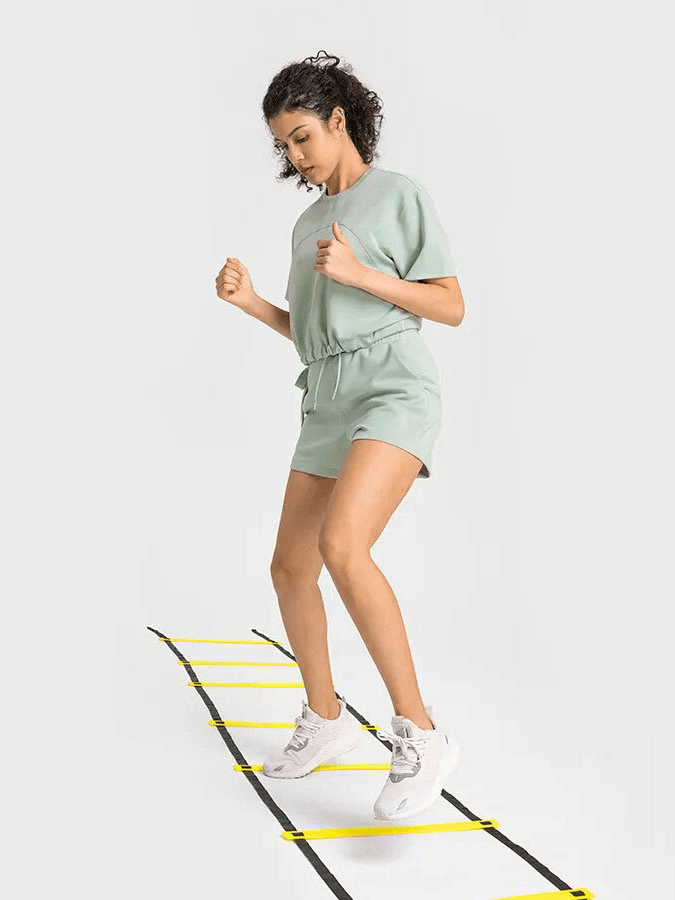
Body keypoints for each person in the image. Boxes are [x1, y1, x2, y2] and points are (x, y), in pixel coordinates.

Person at [215, 50, 464, 821]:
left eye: (301, 137)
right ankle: (323, 719)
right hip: (324, 395)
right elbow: (313, 335)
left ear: (338, 120)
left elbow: (449, 305)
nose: (294, 156)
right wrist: (255, 303)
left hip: (391, 386)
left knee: (343, 547)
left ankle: (420, 734)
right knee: (290, 566)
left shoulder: (398, 196)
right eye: (282, 145)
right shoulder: (305, 222)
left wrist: (361, 275)